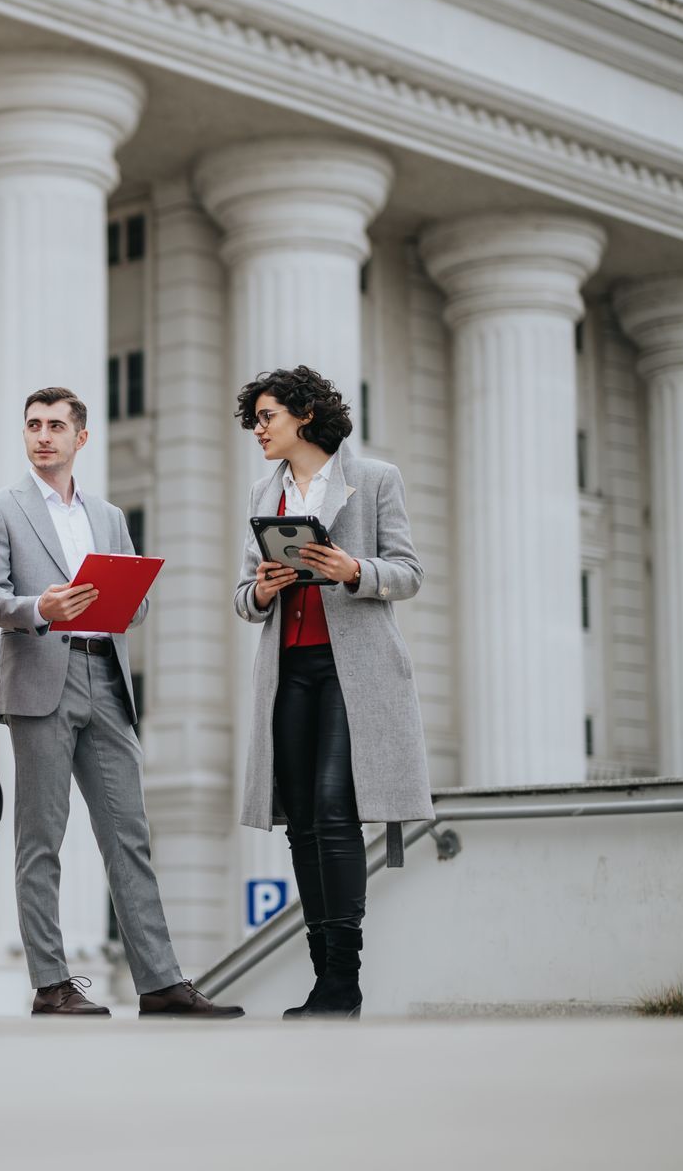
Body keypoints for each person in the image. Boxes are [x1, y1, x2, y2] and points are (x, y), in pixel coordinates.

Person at [0, 388, 242, 1018]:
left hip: (108, 682)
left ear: (79, 439)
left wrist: (123, 599)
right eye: (34, 425)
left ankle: (160, 982)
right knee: (41, 838)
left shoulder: (109, 515)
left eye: (56, 426)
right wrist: (42, 607)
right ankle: (50, 983)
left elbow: (136, 605)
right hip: (41, 680)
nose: (43, 436)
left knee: (129, 836)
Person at [234, 366, 434, 1019]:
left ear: (304, 416)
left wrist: (353, 570)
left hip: (356, 672)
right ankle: (325, 981)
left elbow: (407, 572)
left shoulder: (375, 479)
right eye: (255, 421)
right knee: (303, 821)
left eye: (267, 417)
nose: (258, 430)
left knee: (333, 806)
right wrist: (263, 588)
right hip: (288, 672)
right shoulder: (265, 492)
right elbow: (244, 597)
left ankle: (344, 982)